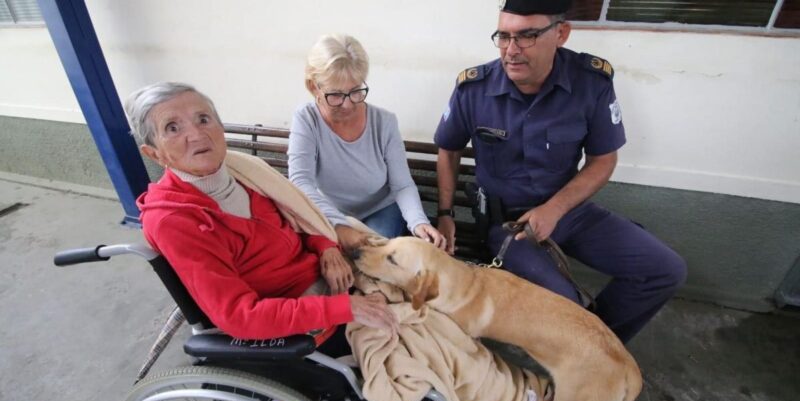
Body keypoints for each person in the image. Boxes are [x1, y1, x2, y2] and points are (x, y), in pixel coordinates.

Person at [435, 0, 687, 345]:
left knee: (664, 270)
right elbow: (447, 150)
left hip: (569, 211)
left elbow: (603, 159)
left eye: (527, 36)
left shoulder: (591, 83)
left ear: (561, 34)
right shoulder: (475, 88)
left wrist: (554, 209)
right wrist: (446, 214)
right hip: (509, 226)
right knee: (567, 305)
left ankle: (596, 348)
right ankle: (585, 345)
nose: (511, 50)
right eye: (504, 36)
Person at [127, 81, 397, 357]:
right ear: (154, 153)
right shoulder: (174, 221)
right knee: (411, 345)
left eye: (203, 119)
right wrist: (347, 308)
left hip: (332, 279)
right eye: (173, 128)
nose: (196, 135)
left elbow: (301, 220)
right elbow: (240, 316)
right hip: (298, 320)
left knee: (423, 288)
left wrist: (325, 247)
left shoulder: (246, 171)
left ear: (221, 127)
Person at [288, 34, 446, 251]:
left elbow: (402, 185)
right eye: (335, 95)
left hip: (382, 210)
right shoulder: (307, 119)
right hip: (331, 211)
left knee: (370, 256)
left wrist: (419, 222)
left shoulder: (384, 122)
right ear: (313, 86)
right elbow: (300, 181)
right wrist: (340, 225)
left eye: (355, 91)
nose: (347, 105)